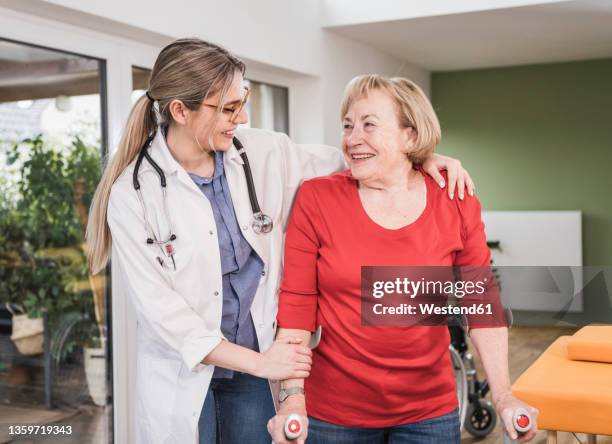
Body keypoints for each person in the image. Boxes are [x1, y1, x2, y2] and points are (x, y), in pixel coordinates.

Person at [86, 39, 475, 444]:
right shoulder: (133, 194)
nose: (242, 116)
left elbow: (357, 159)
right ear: (181, 111)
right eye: (229, 108)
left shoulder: (263, 152)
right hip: (189, 372)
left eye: (243, 101)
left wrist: (422, 159)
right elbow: (164, 315)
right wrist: (261, 363)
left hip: (257, 374)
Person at [269, 74, 539, 444]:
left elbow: (481, 302)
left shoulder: (454, 198)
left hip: (428, 412)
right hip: (333, 413)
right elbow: (297, 306)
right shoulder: (317, 199)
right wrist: (291, 399)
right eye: (347, 125)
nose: (352, 139)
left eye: (368, 125)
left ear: (410, 135)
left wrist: (504, 394)